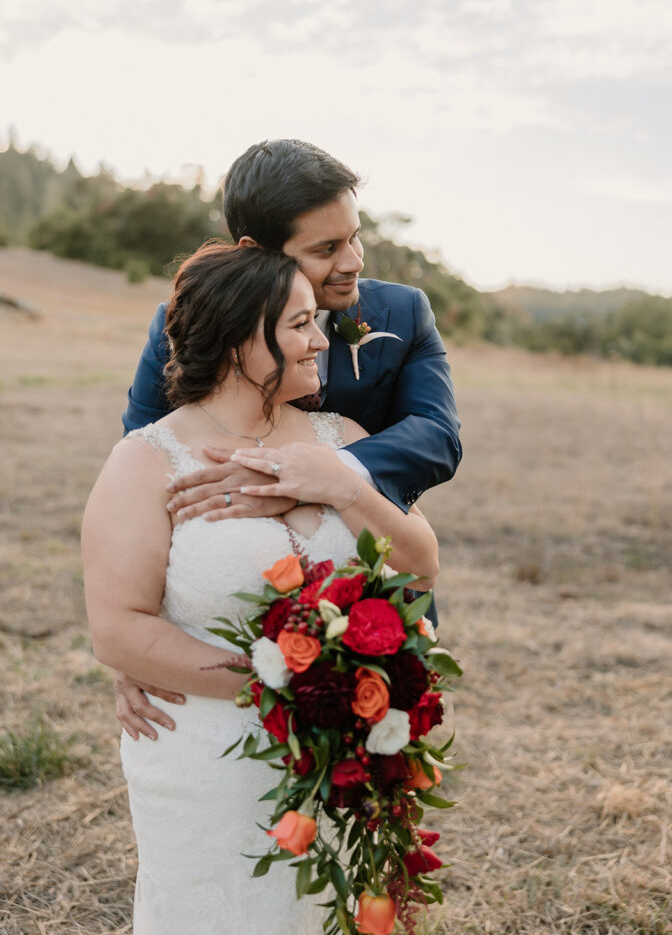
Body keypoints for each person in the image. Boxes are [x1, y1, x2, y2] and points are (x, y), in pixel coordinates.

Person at [82, 242, 440, 935]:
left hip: (339, 755)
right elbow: (118, 628)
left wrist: (342, 483)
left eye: (316, 321)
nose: (319, 340)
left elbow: (420, 564)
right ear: (241, 338)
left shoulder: (342, 436)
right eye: (298, 325)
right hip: (203, 755)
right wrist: (288, 686)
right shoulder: (146, 461)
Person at [116, 138, 461, 740]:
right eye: (326, 248)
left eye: (355, 236)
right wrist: (139, 642)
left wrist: (324, 475)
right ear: (255, 252)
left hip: (372, 605)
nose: (353, 260)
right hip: (225, 609)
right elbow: (143, 458)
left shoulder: (404, 313)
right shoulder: (184, 316)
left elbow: (437, 435)